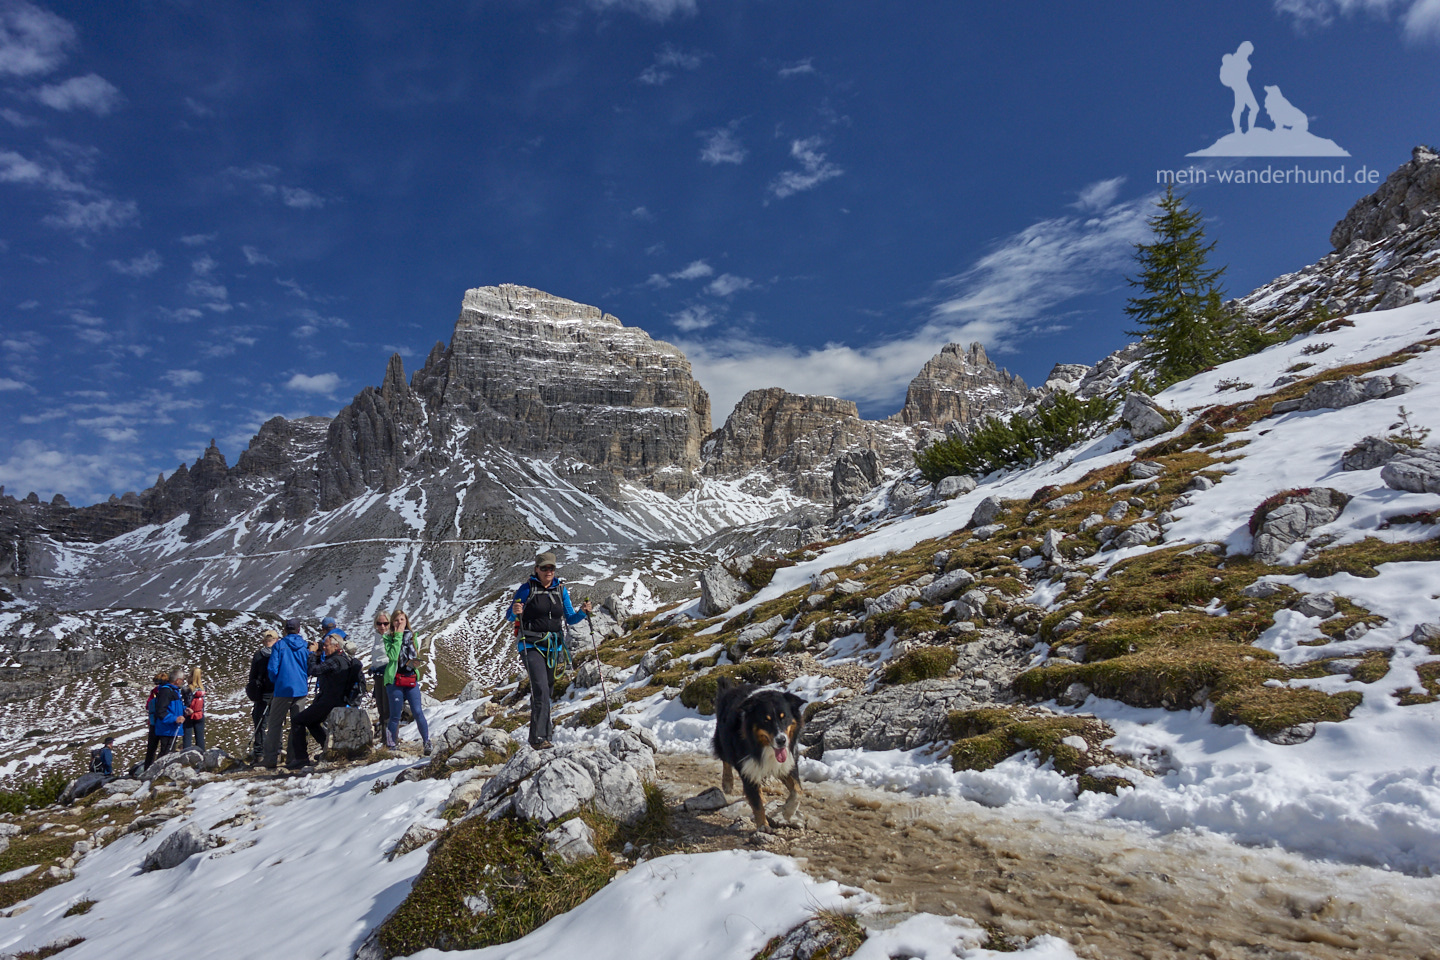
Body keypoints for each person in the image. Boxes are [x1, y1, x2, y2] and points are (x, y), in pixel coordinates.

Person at [505, 551, 592, 750]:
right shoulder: (526, 589)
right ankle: (538, 739)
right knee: (541, 689)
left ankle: (543, 733)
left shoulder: (561, 590)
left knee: (545, 691)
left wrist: (583, 612)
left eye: (551, 568)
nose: (548, 571)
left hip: (554, 647)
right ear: (536, 569)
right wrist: (515, 611)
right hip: (530, 645)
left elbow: (569, 618)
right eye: (544, 568)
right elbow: (510, 616)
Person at [289, 631, 353, 768]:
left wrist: (311, 654)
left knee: (298, 720)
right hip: (336, 699)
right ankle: (328, 750)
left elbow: (314, 670)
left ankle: (301, 758)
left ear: (336, 647)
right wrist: (318, 656)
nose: (324, 648)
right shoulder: (341, 659)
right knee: (312, 722)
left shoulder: (335, 660)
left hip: (329, 700)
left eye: (326, 645)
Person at [260, 618, 309, 770]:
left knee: (275, 724)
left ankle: (270, 758)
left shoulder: (279, 645)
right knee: (297, 724)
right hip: (300, 689)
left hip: (282, 690)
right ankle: (294, 757)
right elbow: (308, 666)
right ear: (298, 629)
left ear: (285, 630)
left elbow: (272, 669)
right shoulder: (304, 646)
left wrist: (278, 681)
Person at [383, 609, 431, 754]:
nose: (399, 623)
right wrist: (398, 635)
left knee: (417, 711)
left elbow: (415, 654)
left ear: (406, 621)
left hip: (410, 679)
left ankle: (426, 742)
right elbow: (392, 656)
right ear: (392, 623)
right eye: (396, 620)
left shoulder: (412, 637)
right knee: (395, 715)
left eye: (402, 620)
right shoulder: (388, 638)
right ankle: (391, 745)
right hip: (394, 681)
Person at [246, 629, 280, 761]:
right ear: (276, 640)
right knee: (276, 722)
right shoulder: (279, 654)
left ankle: (259, 752)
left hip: (262, 694)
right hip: (277, 692)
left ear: (264, 641)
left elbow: (252, 676)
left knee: (260, 722)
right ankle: (277, 749)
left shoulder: (259, 655)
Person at [146, 666, 186, 768]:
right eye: (182, 680)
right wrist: (175, 719)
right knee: (166, 753)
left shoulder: (173, 691)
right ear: (177, 680)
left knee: (166, 752)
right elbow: (161, 711)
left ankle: (154, 772)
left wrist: (185, 709)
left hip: (170, 727)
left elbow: (174, 707)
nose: (183, 682)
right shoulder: (167, 691)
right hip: (167, 728)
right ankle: (157, 773)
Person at [368, 611, 392, 738]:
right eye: (379, 623)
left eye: (385, 623)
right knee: (381, 707)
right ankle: (385, 738)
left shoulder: (392, 637)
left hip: (387, 674)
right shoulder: (377, 637)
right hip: (378, 675)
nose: (382, 626)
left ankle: (390, 739)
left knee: (387, 708)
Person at [181, 666, 207, 752]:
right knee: (200, 737)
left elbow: (185, 701)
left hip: (189, 715)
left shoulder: (186, 689)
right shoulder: (204, 688)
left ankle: (186, 755)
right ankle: (202, 754)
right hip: (200, 714)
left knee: (187, 737)